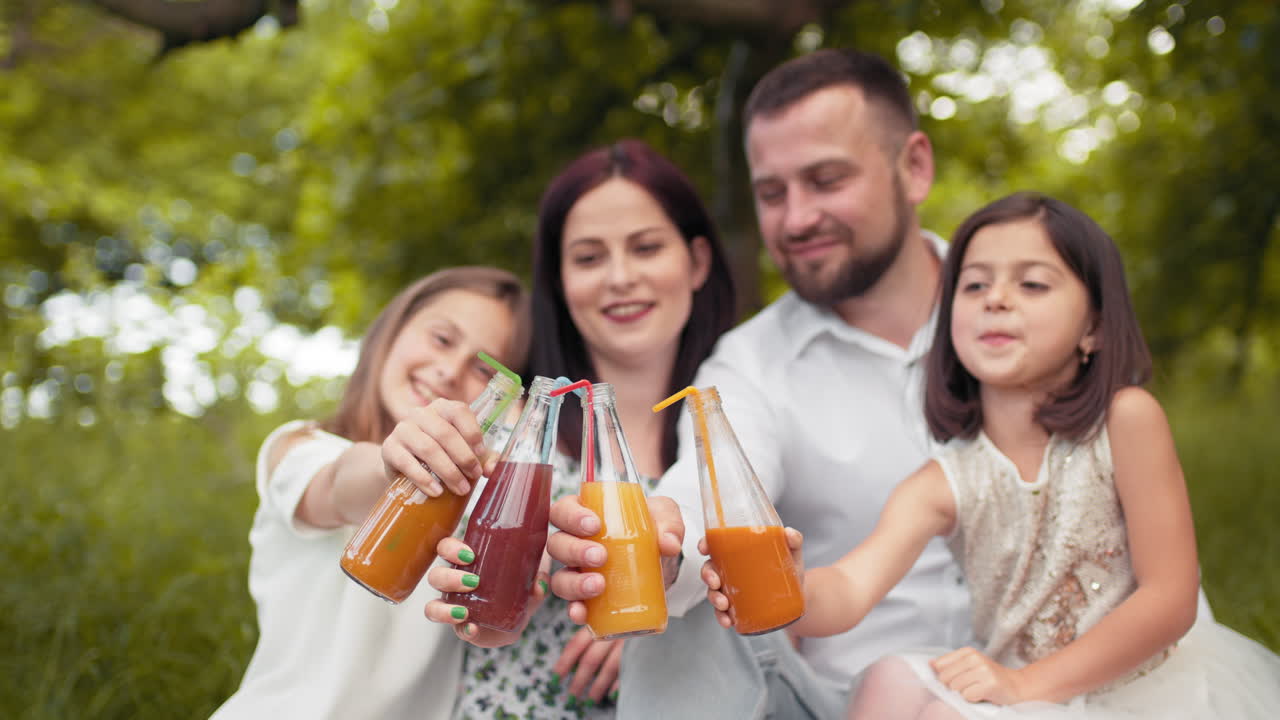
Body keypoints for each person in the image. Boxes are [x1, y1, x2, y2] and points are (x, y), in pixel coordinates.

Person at [706, 191, 1280, 719]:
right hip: (1019, 684)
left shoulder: (1125, 420)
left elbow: (1170, 599)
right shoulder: (944, 479)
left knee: (942, 715)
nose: (997, 300)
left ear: (1095, 328)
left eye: (1033, 285)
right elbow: (851, 590)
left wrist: (1027, 685)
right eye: (975, 286)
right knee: (888, 684)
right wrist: (788, 588)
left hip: (1135, 688)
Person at [547, 47, 969, 719]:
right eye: (772, 193)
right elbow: (705, 498)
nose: (796, 218)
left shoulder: (1030, 311)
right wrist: (662, 545)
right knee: (685, 625)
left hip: (1052, 685)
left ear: (914, 166)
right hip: (843, 703)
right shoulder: (747, 367)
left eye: (826, 179)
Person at [407, 139, 736, 719]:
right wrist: (488, 613)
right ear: (558, 281)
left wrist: (666, 612)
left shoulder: (741, 425)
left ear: (698, 262)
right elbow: (471, 603)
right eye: (587, 258)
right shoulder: (508, 433)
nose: (619, 277)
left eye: (646, 247)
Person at [210, 267, 532, 720]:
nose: (449, 371)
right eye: (442, 339)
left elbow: (497, 606)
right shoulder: (301, 448)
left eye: (484, 370)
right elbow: (339, 486)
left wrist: (499, 617)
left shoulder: (479, 510)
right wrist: (391, 464)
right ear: (393, 329)